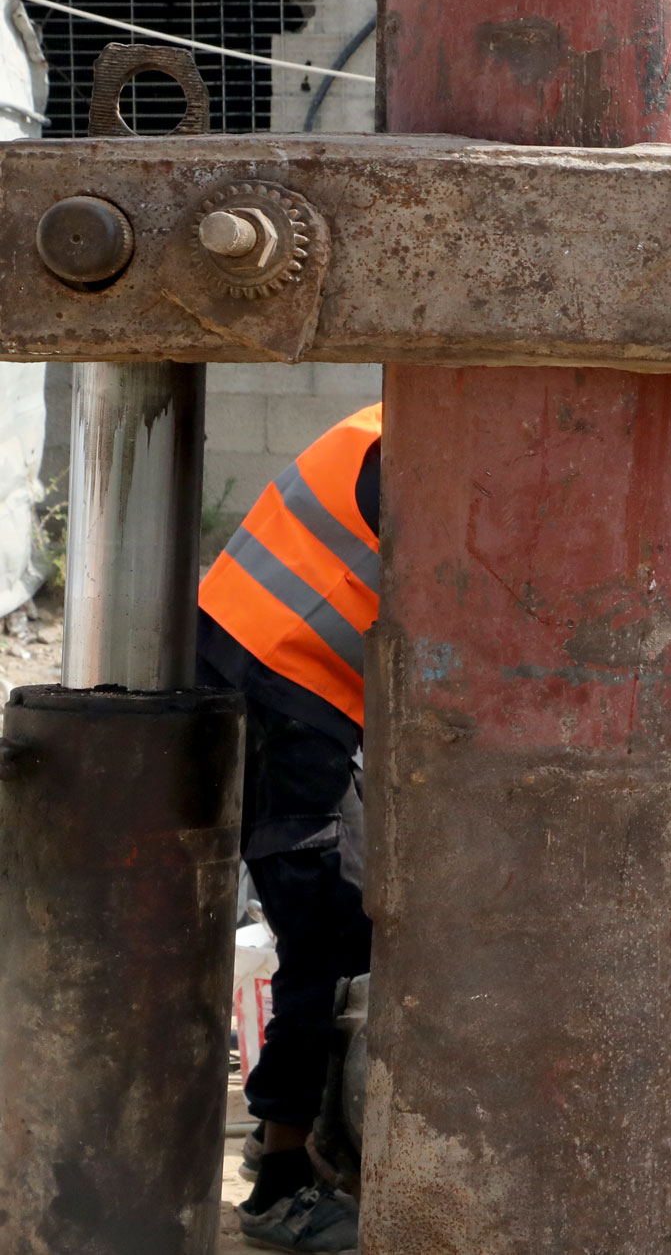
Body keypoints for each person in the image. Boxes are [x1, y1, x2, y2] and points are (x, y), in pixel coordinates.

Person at [198, 402, 382, 1254]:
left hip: (273, 678)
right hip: (282, 689)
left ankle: (286, 1141)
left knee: (343, 923)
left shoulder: (393, 422)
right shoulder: (417, 452)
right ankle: (279, 1183)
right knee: (332, 931)